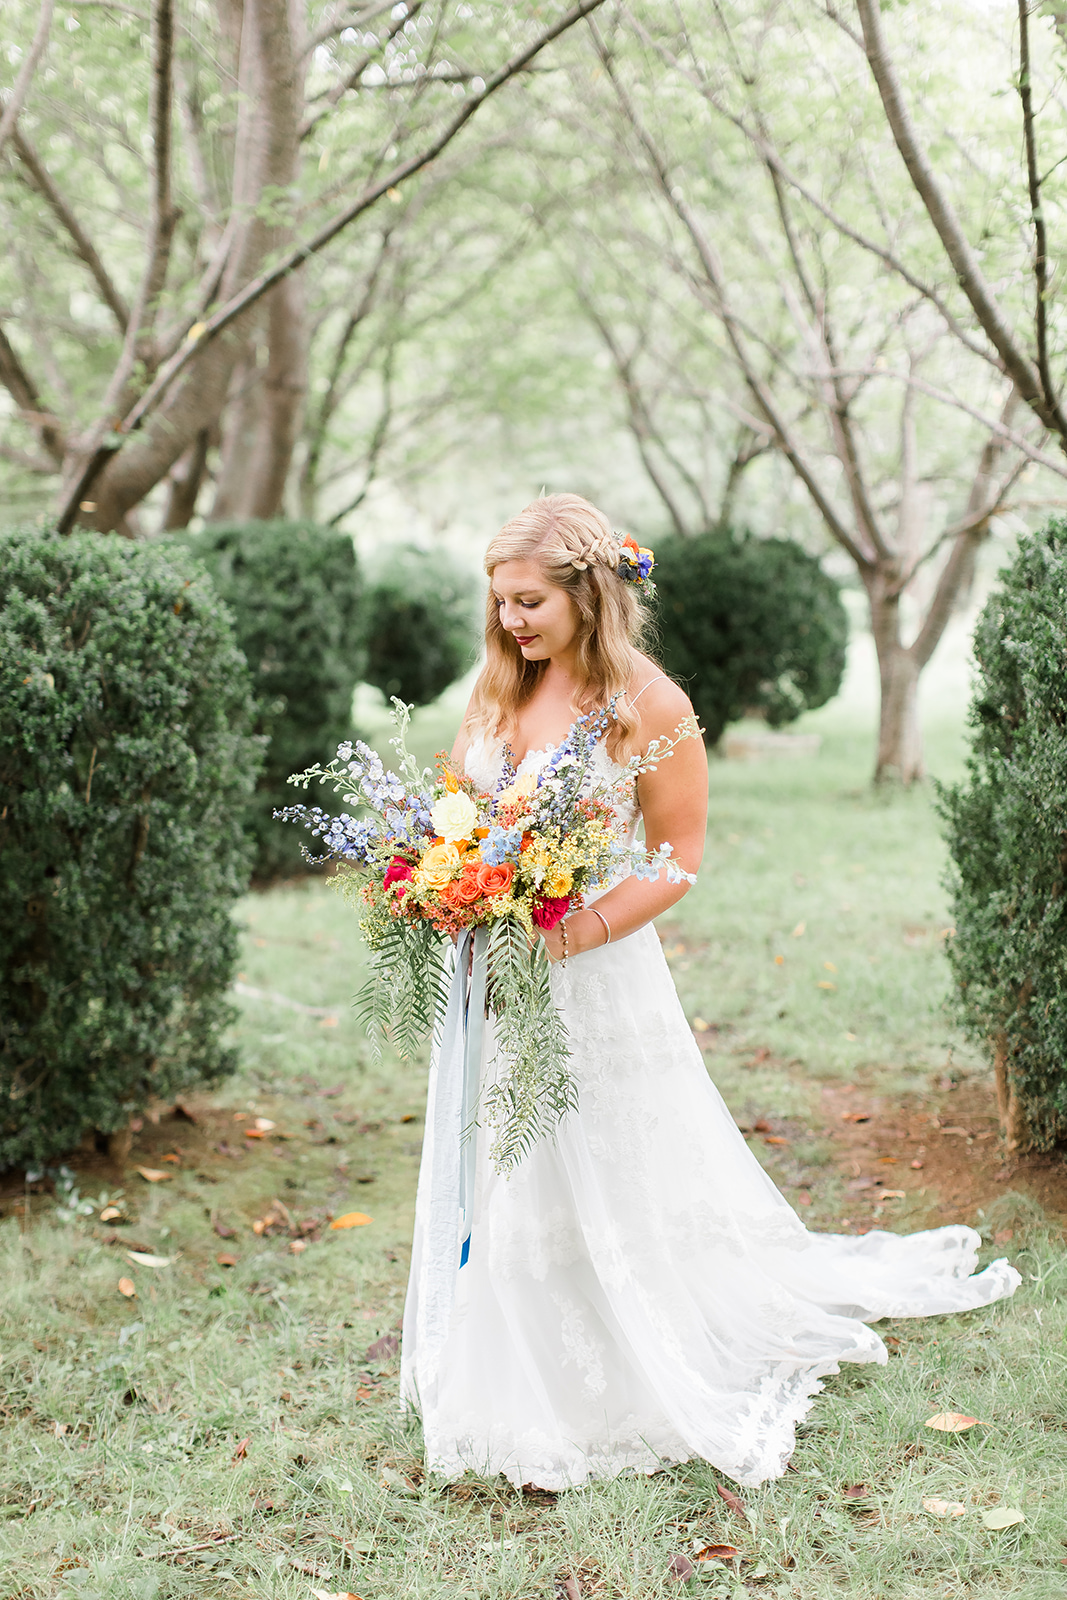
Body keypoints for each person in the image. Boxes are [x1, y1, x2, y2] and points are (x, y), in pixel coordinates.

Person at [400, 493, 1020, 1491]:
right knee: (497, 1153)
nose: (510, 621)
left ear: (587, 593)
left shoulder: (650, 707)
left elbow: (677, 858)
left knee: (590, 1150)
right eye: (499, 602)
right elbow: (458, 809)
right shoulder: (495, 687)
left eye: (529, 601)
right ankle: (498, 1352)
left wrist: (569, 935)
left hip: (585, 967)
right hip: (487, 966)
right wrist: (449, 880)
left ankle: (615, 1348)